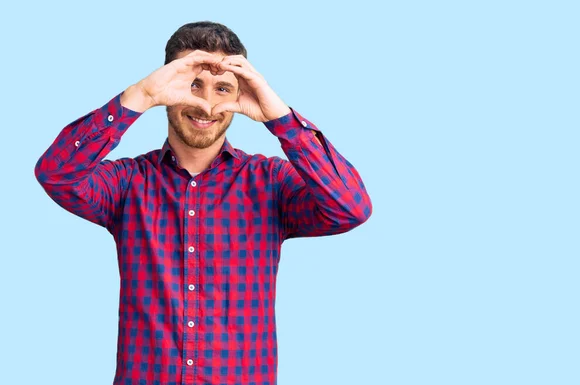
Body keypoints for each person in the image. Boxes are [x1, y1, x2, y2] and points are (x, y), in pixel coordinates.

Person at [35, 21, 372, 385]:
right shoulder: (126, 184)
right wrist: (139, 96)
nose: (206, 103)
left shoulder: (272, 183)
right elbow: (56, 174)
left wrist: (281, 119)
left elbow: (350, 207)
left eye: (222, 88)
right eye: (192, 85)